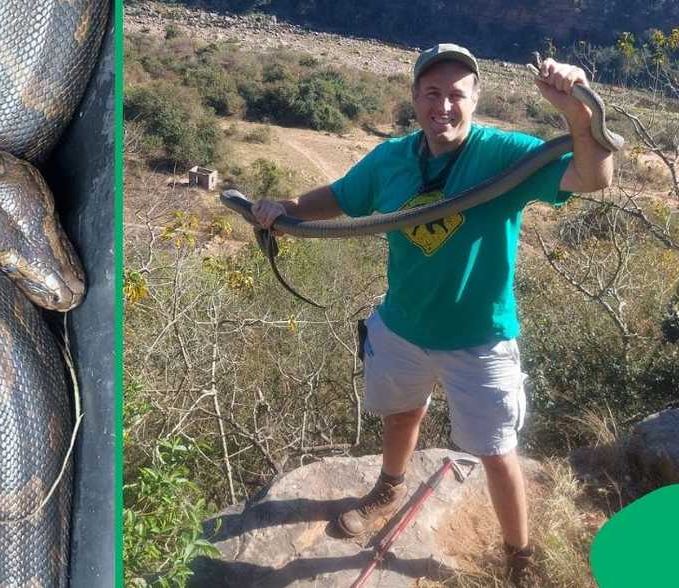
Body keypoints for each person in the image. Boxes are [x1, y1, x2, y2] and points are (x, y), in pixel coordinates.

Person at [251, 43, 613, 586]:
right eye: (432, 93)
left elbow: (593, 177)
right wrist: (289, 208)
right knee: (401, 416)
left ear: (476, 99)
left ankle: (519, 557)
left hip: (481, 338)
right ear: (415, 98)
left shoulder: (503, 155)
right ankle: (389, 486)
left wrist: (578, 113)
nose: (444, 105)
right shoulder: (392, 159)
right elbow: (344, 197)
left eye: (457, 95)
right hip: (402, 328)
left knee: (496, 453)